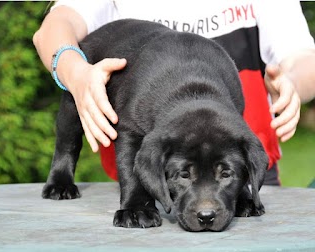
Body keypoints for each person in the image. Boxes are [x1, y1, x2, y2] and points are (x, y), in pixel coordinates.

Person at [33, 0, 315, 185]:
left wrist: (291, 81)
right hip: (144, 178)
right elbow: (53, 29)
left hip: (240, 176)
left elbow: (303, 57)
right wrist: (75, 72)